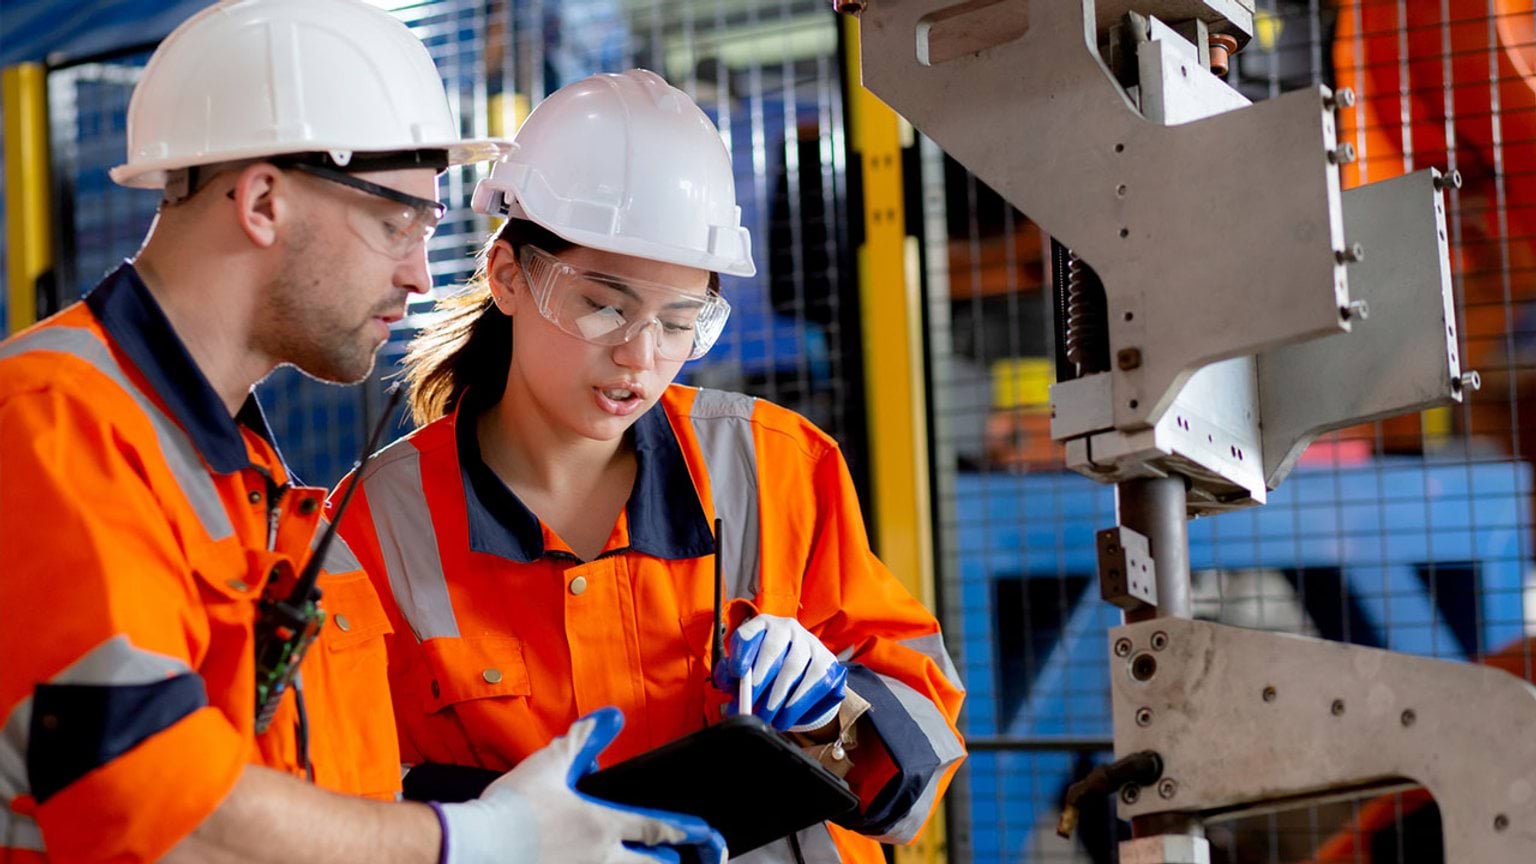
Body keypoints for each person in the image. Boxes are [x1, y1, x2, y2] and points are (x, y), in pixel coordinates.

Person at [0, 4, 724, 863]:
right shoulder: (55, 421)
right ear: (263, 200)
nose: (421, 273)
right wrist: (475, 840)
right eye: (396, 223)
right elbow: (145, 799)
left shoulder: (243, 482)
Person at [333, 68, 967, 864]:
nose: (639, 357)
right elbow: (344, 791)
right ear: (507, 278)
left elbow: (922, 740)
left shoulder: (777, 466)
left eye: (679, 322)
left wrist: (831, 713)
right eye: (602, 304)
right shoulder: (375, 526)